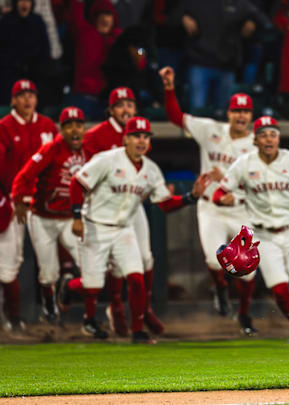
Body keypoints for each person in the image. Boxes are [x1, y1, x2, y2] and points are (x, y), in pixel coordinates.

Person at [69, 116, 208, 343]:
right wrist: (76, 217)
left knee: (137, 278)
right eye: (136, 136)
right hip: (95, 226)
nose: (141, 141)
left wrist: (190, 197)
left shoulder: (151, 170)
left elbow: (163, 204)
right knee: (93, 286)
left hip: (124, 229)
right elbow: (77, 183)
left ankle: (137, 331)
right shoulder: (107, 159)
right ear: (126, 139)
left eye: (145, 136)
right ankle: (69, 288)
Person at [160, 65, 259, 334]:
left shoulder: (255, 145)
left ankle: (244, 314)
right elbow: (175, 117)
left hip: (240, 209)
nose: (240, 116)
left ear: (251, 116)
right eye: (236, 111)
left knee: (248, 269)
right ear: (229, 113)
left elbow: (255, 183)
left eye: (245, 111)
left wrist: (228, 179)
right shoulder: (210, 129)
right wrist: (169, 88)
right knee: (216, 261)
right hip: (210, 208)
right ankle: (220, 290)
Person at [213, 116, 289, 343]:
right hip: (263, 235)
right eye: (263, 135)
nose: (268, 138)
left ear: (278, 137)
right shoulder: (244, 163)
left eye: (272, 134)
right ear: (255, 140)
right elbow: (218, 193)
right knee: (279, 288)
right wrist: (224, 199)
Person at [80, 86, 164, 338]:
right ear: (111, 109)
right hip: (103, 205)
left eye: (130, 104)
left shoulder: (141, 136)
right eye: (120, 104)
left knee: (145, 259)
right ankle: (116, 306)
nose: (125, 109)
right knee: (106, 271)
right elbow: (84, 173)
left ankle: (142, 310)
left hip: (131, 204)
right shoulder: (96, 135)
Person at [10, 107, 88, 324]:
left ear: (84, 129)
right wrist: (18, 199)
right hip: (42, 217)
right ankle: (49, 305)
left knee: (91, 265)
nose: (74, 130)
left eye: (78, 125)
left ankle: (71, 293)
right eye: (69, 126)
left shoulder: (89, 151)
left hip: (71, 219)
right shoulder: (50, 149)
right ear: (60, 130)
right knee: (48, 272)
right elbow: (24, 176)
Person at [0, 79, 57, 333]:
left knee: (53, 263)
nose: (27, 99)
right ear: (13, 100)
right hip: (13, 203)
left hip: (43, 204)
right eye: (22, 95)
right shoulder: (4, 127)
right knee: (8, 264)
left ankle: (53, 311)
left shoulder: (47, 126)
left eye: (31, 95)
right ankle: (13, 317)